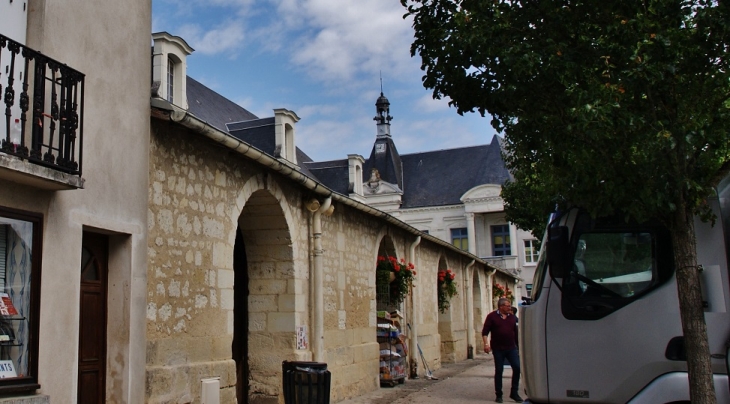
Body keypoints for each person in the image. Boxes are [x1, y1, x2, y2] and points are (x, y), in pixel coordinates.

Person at [483, 298, 522, 403]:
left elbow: (516, 333)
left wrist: (519, 347)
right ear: (500, 307)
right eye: (507, 305)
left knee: (517, 368)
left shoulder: (513, 318)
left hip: (511, 348)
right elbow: (485, 332)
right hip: (498, 348)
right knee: (499, 370)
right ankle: (499, 394)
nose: (510, 307)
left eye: (510, 305)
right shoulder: (492, 317)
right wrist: (486, 344)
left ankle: (514, 392)